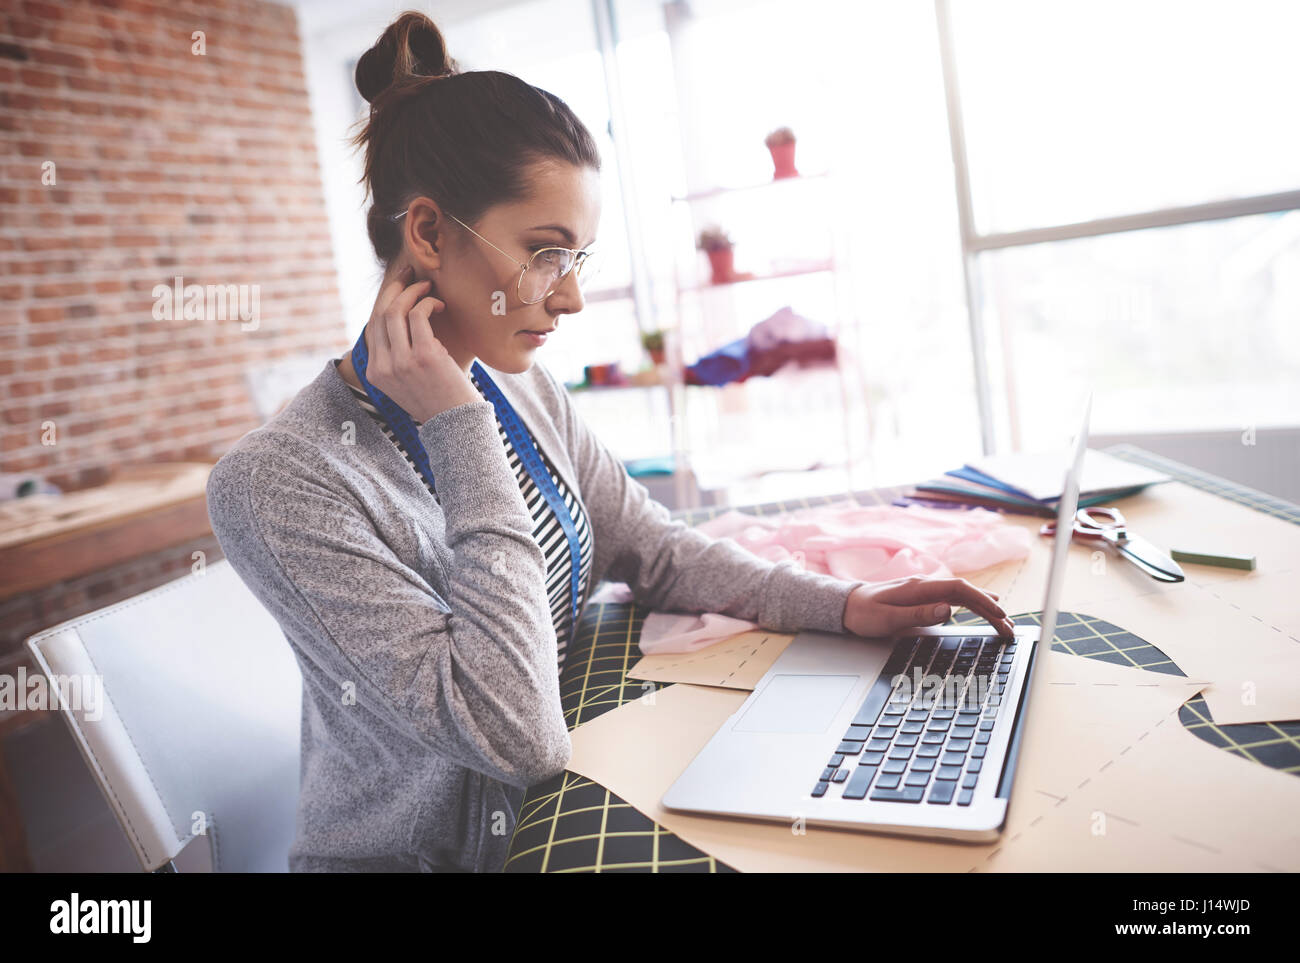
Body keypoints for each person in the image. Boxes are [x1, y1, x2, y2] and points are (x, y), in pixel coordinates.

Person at [204, 9, 1013, 873]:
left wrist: (841, 604)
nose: (571, 299)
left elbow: (651, 546)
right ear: (431, 233)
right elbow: (512, 733)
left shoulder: (520, 384)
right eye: (546, 253)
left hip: (564, 799)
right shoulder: (278, 481)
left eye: (580, 258)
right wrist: (457, 426)